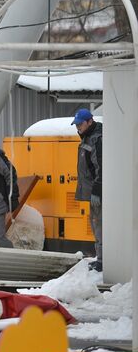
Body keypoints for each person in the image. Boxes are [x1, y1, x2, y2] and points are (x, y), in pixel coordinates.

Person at [71, 109, 103, 272]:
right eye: (76, 125)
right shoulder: (88, 138)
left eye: (80, 124)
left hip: (99, 193)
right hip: (93, 192)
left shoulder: (97, 139)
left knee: (100, 225)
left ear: (90, 122)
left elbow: (101, 167)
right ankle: (101, 258)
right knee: (96, 224)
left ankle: (104, 261)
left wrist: (97, 191)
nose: (78, 127)